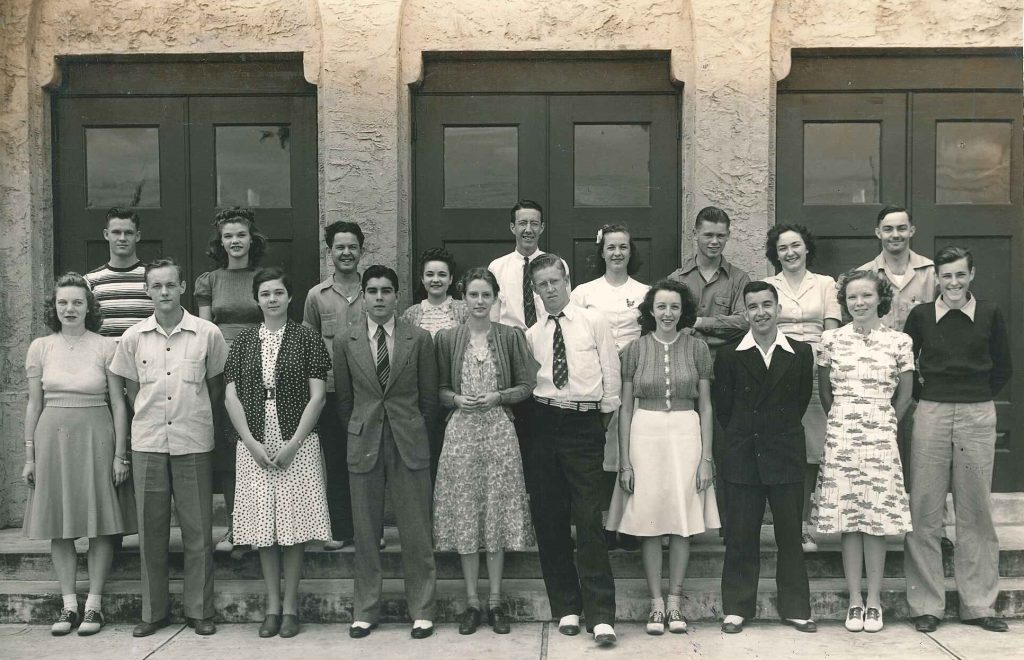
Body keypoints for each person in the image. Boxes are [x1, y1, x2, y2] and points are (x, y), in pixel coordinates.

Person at [110, 257, 228, 638]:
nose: (163, 292)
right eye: (156, 286)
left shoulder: (207, 333)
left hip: (193, 440)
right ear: (147, 290)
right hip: (148, 442)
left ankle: (199, 610)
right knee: (151, 532)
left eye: (170, 285)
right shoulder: (132, 337)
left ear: (182, 287)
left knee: (198, 532)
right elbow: (130, 391)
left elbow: (215, 388)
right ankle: (153, 611)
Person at [903, 246, 1013, 634]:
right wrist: (926, 400)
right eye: (946, 276)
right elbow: (906, 366)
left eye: (960, 275)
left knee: (975, 509)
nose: (953, 283)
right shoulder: (920, 316)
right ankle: (926, 604)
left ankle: (979, 604)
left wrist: (974, 397)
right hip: (931, 412)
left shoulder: (989, 313)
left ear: (972, 275)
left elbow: (1004, 366)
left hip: (976, 413)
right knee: (925, 508)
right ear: (937, 278)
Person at [21, 273, 136, 636]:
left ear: (90, 307)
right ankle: (68, 604)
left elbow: (119, 404)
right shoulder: (40, 347)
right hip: (51, 437)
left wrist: (121, 454)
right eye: (62, 303)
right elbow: (33, 403)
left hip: (96, 435)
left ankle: (94, 606)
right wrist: (29, 455)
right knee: (61, 523)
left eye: (77, 302)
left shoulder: (106, 346)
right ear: (54, 308)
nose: (69, 309)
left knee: (100, 523)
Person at [605, 279, 720, 636]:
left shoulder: (697, 348)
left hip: (686, 433)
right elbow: (624, 409)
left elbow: (705, 404)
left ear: (683, 311)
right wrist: (625, 462)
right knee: (650, 519)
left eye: (674, 307)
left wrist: (707, 458)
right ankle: (656, 605)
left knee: (683, 520)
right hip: (645, 433)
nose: (667, 313)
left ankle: (675, 601)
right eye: (661, 307)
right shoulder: (635, 350)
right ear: (650, 311)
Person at [223, 267, 333, 639]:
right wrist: (251, 443)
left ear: (290, 297)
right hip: (254, 441)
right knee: (263, 528)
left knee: (293, 525)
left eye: (279, 293)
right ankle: (271, 606)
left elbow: (317, 396)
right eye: (265, 293)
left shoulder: (306, 338)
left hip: (296, 441)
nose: (272, 299)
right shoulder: (243, 342)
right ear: (257, 299)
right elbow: (230, 396)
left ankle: (290, 607)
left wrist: (294, 444)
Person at [334, 265, 439, 640]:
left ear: (397, 297)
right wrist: (362, 426)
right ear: (363, 295)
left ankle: (423, 610)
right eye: (373, 291)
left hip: (408, 439)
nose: (379, 297)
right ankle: (365, 610)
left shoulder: (419, 339)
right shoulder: (346, 340)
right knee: (365, 532)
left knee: (416, 530)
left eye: (386, 291)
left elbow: (429, 400)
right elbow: (345, 401)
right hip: (364, 440)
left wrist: (411, 428)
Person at [433, 268, 537, 636]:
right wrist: (456, 399)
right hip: (460, 433)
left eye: (485, 295)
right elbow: (439, 388)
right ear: (463, 298)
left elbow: (527, 384)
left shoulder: (510, 337)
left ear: (495, 299)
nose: (479, 301)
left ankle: (495, 601)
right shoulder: (447, 338)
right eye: (473, 295)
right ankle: (471, 603)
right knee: (465, 513)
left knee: (495, 512)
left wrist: (499, 396)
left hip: (498, 432)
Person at [810, 269, 914, 634]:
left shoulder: (899, 342)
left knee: (875, 520)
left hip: (881, 433)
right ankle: (854, 600)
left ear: (880, 298)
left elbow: (905, 395)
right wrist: (844, 420)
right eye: (853, 297)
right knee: (849, 519)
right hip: (842, 432)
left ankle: (874, 601)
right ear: (845, 301)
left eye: (866, 296)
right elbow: (825, 393)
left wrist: (885, 423)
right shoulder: (830, 340)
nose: (859, 303)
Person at [525, 253, 620, 647]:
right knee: (549, 517)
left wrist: (600, 417)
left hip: (585, 423)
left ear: (568, 280)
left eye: (556, 281)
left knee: (588, 517)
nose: (551, 289)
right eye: (542, 284)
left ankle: (600, 615)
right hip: (545, 422)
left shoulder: (593, 320)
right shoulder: (533, 334)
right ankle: (567, 605)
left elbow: (611, 376)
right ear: (535, 289)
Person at [713, 281, 815, 635]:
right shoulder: (729, 354)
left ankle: (796, 607)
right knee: (741, 534)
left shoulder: (800, 352)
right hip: (743, 452)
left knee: (790, 534)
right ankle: (738, 607)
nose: (760, 312)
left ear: (778, 308)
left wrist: (777, 433)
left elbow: (800, 401)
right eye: (753, 306)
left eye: (766, 305)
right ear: (745, 313)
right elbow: (724, 410)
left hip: (785, 452)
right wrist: (747, 435)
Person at [666, 206, 750, 536]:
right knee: (685, 449)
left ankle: (729, 527)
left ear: (728, 236)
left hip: (725, 375)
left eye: (720, 235)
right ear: (695, 235)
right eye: (708, 235)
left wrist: (699, 323)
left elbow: (744, 322)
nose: (714, 241)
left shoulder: (740, 278)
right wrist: (718, 330)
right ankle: (683, 526)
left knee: (726, 449)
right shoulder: (677, 280)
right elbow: (673, 324)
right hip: (685, 374)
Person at [763, 223, 842, 552]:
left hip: (814, 369)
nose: (790, 253)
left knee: (812, 451)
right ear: (775, 254)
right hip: (778, 370)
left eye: (795, 246)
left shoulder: (824, 284)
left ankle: (804, 526)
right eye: (783, 248)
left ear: (807, 248)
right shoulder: (768, 285)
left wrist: (818, 364)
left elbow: (832, 328)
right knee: (784, 449)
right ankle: (786, 525)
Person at [571, 223, 648, 551]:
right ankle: (602, 524)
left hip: (635, 378)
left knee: (632, 449)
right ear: (601, 252)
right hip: (595, 380)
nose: (617, 253)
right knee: (601, 452)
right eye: (611, 247)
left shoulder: (645, 292)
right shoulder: (584, 293)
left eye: (623, 247)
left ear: (631, 252)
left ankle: (630, 525)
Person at [195, 207, 266, 554]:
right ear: (220, 242)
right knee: (229, 448)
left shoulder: (264, 277)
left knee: (260, 443)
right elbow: (204, 331)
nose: (235, 241)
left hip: (262, 366)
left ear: (252, 239)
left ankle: (263, 523)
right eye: (228, 236)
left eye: (241, 235)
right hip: (223, 371)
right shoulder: (210, 280)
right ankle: (236, 525)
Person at [857, 205, 936, 481]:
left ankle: (923, 517)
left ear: (912, 230)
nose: (895, 234)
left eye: (902, 228)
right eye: (888, 229)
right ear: (878, 232)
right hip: (878, 374)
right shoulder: (864, 275)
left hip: (921, 374)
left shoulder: (931, 273)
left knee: (922, 448)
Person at [303, 220, 365, 551]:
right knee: (338, 461)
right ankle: (340, 529)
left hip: (370, 393)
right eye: (339, 247)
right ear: (330, 252)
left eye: (352, 246)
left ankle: (371, 531)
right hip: (331, 391)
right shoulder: (317, 296)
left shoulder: (374, 291)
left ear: (361, 251)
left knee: (369, 460)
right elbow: (310, 345)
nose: (346, 253)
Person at [84, 207, 154, 339]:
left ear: (137, 236)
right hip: (106, 358)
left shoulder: (153, 278)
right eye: (116, 232)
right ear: (106, 234)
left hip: (144, 357)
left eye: (128, 233)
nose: (122, 238)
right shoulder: (90, 281)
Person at [401, 247, 469, 336]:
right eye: (430, 274)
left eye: (442, 274)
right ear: (422, 279)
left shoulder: (464, 310)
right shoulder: (410, 314)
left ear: (450, 279)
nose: (436, 280)